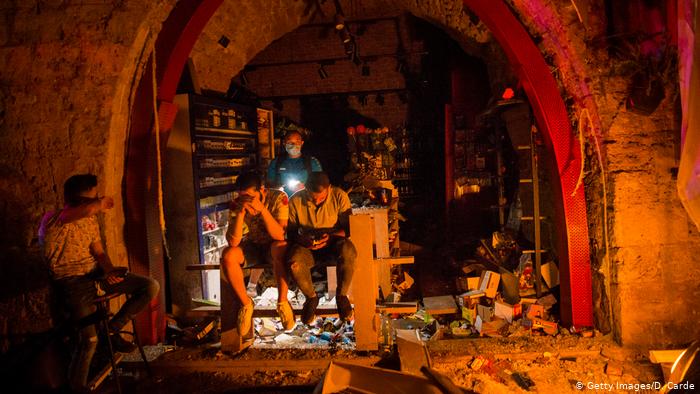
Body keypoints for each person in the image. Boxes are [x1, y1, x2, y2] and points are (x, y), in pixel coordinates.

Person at [38, 174, 159, 392]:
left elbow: (99, 251)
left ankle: (112, 330)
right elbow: (74, 214)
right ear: (76, 200)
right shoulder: (53, 219)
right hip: (71, 282)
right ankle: (77, 387)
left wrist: (109, 271)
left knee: (149, 286)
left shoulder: (89, 219)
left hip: (94, 273)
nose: (94, 203)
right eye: (90, 199)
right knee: (89, 341)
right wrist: (99, 203)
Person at [220, 171, 294, 335]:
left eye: (249, 197)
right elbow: (233, 242)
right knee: (228, 255)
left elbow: (280, 235)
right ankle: (246, 304)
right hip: (252, 245)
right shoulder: (237, 204)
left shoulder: (278, 198)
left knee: (280, 246)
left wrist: (262, 210)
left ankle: (282, 302)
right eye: (241, 196)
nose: (245, 200)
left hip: (272, 245)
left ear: (261, 190)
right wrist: (240, 214)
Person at [286, 171, 356, 325]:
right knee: (294, 261)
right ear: (305, 190)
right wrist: (303, 240)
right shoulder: (295, 200)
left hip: (333, 243)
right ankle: (311, 297)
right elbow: (289, 232)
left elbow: (350, 228)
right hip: (308, 246)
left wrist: (331, 237)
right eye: (312, 197)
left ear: (329, 189)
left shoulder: (339, 196)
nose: (317, 201)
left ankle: (342, 296)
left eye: (321, 198)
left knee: (348, 250)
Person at [267, 130, 322, 195]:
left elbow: (320, 185)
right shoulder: (276, 162)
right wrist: (281, 188)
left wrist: (305, 188)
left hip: (305, 201)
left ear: (302, 143)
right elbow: (269, 184)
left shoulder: (312, 162)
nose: (294, 145)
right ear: (284, 143)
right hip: (283, 202)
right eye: (290, 142)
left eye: (297, 142)